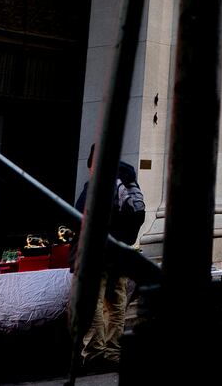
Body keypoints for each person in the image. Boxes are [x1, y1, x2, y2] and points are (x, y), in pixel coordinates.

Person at [72, 144, 147, 370]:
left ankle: (95, 352)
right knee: (115, 302)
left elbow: (79, 216)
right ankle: (114, 350)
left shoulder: (98, 185)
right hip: (120, 250)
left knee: (92, 301)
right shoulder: (126, 180)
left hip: (96, 251)